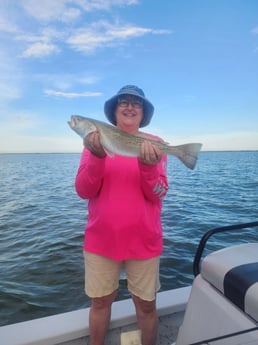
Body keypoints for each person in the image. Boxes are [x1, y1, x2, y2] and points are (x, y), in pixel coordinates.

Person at [75, 85, 169, 345]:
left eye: (136, 104)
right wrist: (96, 156)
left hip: (144, 241)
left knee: (146, 305)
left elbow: (159, 192)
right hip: (101, 241)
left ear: (143, 112)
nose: (129, 107)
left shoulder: (156, 145)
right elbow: (83, 190)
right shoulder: (93, 144)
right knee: (100, 302)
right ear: (114, 111)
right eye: (123, 102)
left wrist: (149, 168)